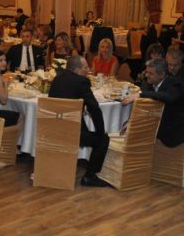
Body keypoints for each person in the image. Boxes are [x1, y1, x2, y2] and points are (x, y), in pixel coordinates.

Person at [48, 56, 110, 187]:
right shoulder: (81, 81)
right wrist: (100, 132)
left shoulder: (56, 79)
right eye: (85, 67)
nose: (88, 70)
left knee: (85, 129)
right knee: (103, 140)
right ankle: (90, 177)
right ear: (77, 70)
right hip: (71, 132)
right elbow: (94, 108)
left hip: (52, 128)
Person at [123, 58, 184, 148]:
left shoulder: (175, 83)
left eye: (151, 73)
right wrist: (132, 122)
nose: (147, 75)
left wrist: (141, 94)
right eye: (147, 72)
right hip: (156, 128)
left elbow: (169, 97)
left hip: (173, 134)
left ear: (162, 75)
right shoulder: (151, 85)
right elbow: (146, 108)